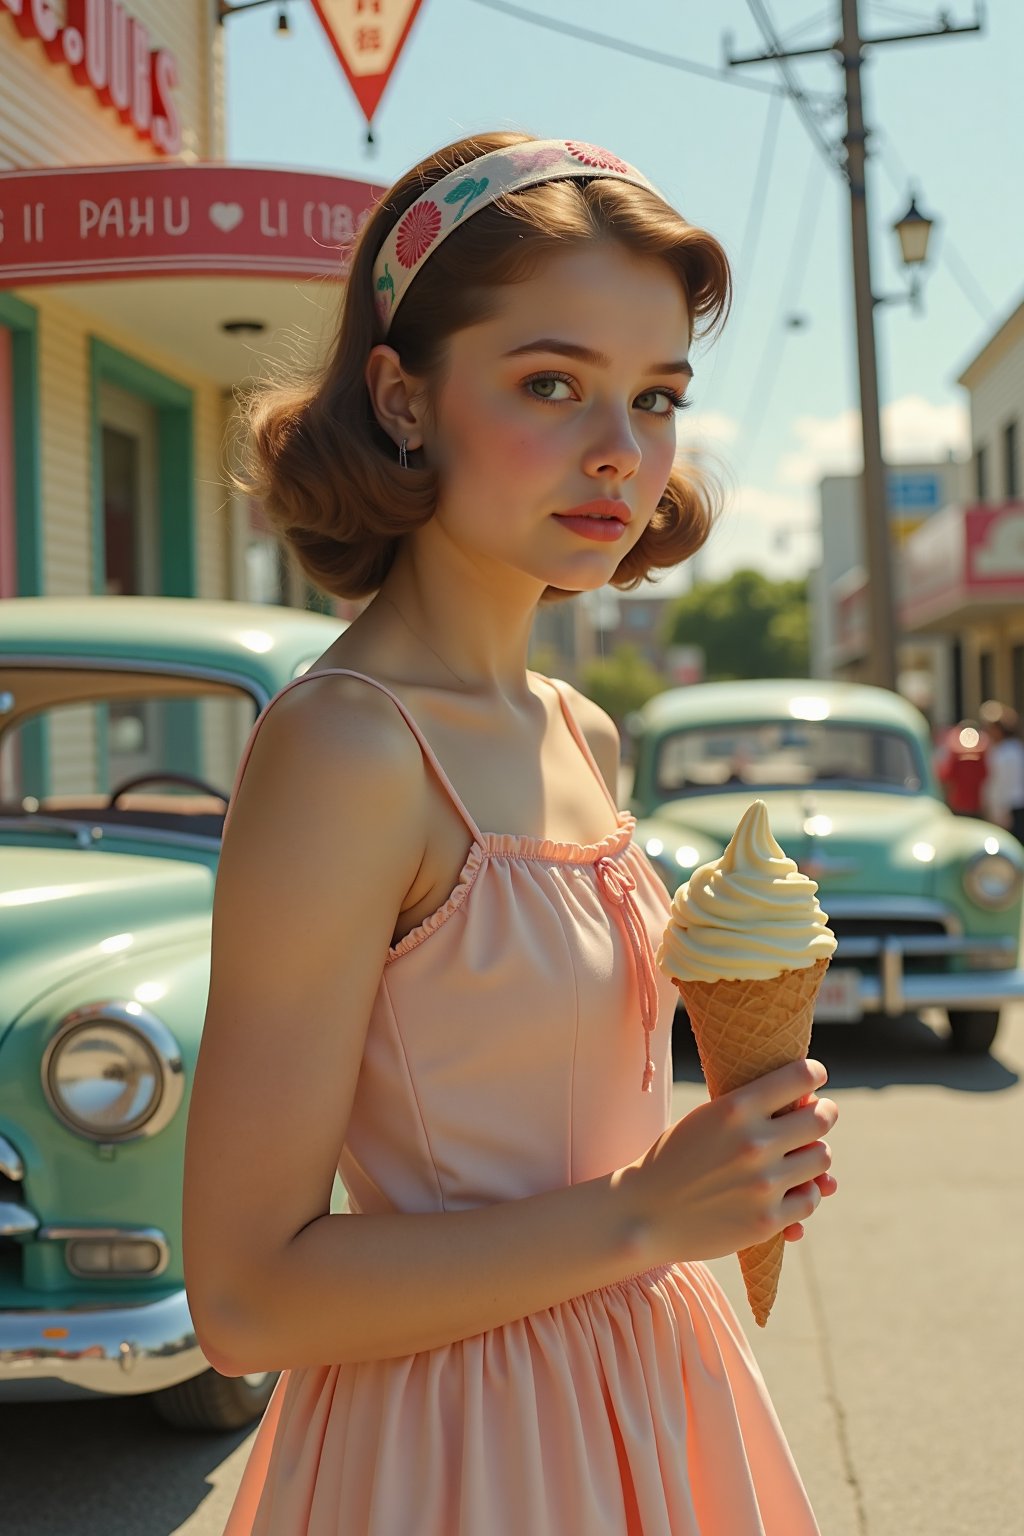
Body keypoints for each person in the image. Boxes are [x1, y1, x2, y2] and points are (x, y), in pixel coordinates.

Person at [183, 132, 839, 1535]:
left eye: (656, 397)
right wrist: (647, 1216)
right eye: (553, 383)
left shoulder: (579, 730)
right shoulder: (346, 745)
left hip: (654, 1395)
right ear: (400, 398)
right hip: (453, 1452)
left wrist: (734, 1161)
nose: (622, 450)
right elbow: (243, 1296)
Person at [979, 699, 1024, 841]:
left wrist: (999, 811)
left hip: (1009, 807)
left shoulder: (1007, 753)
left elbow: (1003, 784)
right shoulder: (1012, 748)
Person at [935, 718, 988, 816]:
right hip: (975, 804)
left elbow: (946, 777)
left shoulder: (955, 753)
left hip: (959, 803)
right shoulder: (982, 754)